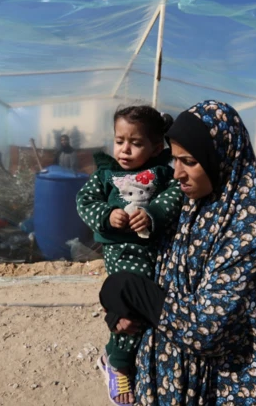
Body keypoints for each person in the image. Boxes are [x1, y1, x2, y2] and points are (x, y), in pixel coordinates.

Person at [99, 100, 256, 405]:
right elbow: (155, 263)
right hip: (160, 362)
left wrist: (134, 292)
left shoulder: (250, 224)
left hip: (204, 381)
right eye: (175, 160)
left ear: (220, 157)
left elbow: (206, 328)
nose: (178, 173)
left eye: (190, 161)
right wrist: (123, 309)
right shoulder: (192, 200)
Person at [76, 105, 183, 405]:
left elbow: (173, 197)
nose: (125, 149)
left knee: (148, 304)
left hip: (155, 252)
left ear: (155, 146)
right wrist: (107, 214)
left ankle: (133, 357)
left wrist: (152, 214)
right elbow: (83, 200)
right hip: (122, 251)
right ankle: (118, 363)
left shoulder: (163, 172)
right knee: (130, 306)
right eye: (119, 140)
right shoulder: (105, 174)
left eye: (136, 143)